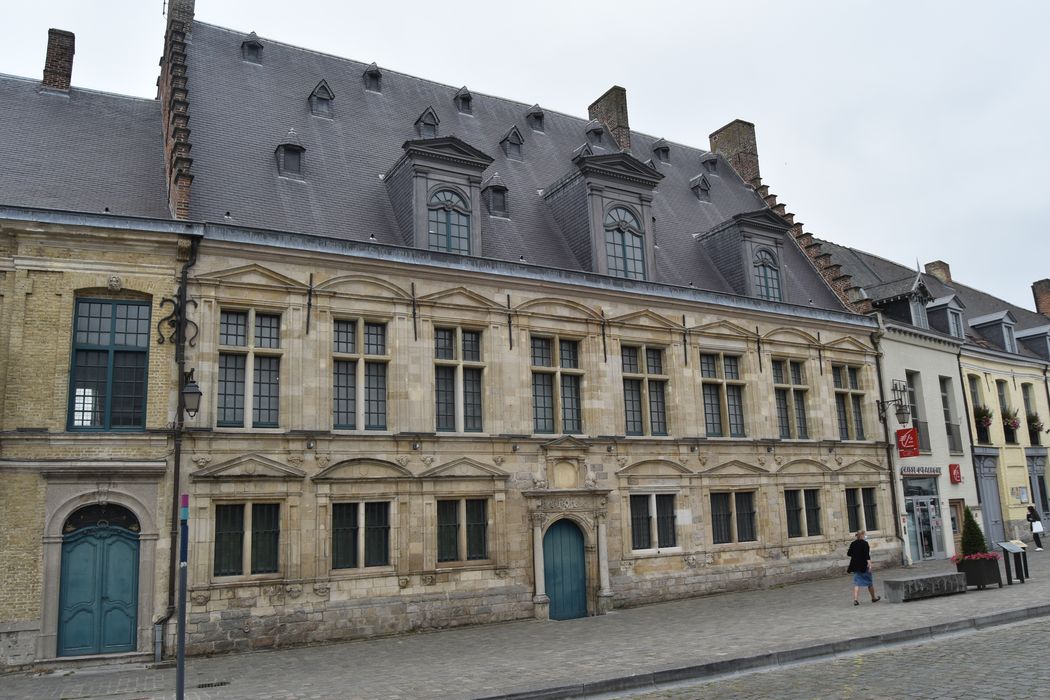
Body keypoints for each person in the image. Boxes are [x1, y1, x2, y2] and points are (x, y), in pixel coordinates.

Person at [846, 530, 880, 605]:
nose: (865, 536)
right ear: (862, 535)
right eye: (864, 535)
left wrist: (856, 555)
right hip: (864, 565)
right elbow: (867, 555)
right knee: (869, 582)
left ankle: (855, 600)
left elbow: (849, 553)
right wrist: (870, 565)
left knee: (857, 583)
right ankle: (873, 598)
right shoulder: (865, 543)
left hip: (855, 565)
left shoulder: (853, 543)